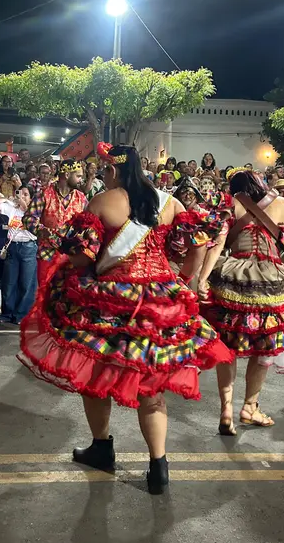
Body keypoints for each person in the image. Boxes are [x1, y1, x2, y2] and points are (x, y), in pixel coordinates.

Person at [18, 143, 231, 495]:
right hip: (161, 301)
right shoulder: (169, 202)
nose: (101, 176)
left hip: (112, 300)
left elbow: (82, 260)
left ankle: (102, 447)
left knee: (95, 373)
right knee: (151, 384)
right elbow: (199, 242)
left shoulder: (103, 201)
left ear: (113, 170)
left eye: (103, 171)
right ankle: (158, 466)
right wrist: (183, 277)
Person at [200, 168, 284, 434]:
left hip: (234, 277)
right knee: (264, 345)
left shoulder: (230, 203)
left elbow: (218, 243)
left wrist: (202, 279)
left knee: (227, 346)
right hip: (270, 280)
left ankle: (226, 411)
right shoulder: (282, 205)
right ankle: (250, 406)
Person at [23, 159, 87, 285]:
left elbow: (88, 223)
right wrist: (41, 230)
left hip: (72, 256)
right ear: (67, 175)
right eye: (78, 176)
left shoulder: (81, 198)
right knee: (44, 293)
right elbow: (28, 218)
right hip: (47, 254)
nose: (81, 180)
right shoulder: (44, 194)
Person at [0, 189, 39, 325]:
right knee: (9, 282)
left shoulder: (35, 211)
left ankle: (21, 315)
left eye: (26, 194)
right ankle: (7, 314)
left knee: (26, 283)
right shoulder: (12, 209)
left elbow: (36, 224)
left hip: (29, 247)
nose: (22, 196)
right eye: (21, 193)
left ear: (31, 198)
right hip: (12, 246)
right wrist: (10, 199)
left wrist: (25, 207)